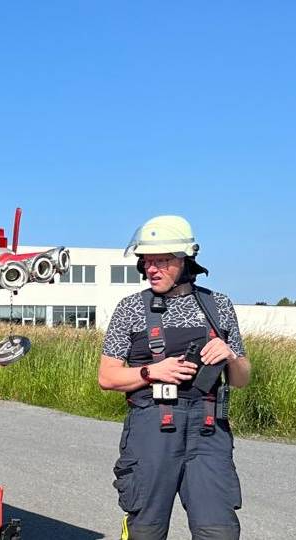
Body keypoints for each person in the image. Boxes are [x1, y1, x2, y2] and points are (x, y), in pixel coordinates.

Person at [97, 215, 252, 540]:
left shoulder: (218, 305)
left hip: (209, 431)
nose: (151, 269)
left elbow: (241, 379)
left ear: (185, 260)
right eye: (147, 262)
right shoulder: (130, 309)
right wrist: (152, 372)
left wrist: (231, 355)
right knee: (146, 531)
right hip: (151, 428)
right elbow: (107, 377)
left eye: (162, 261)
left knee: (220, 532)